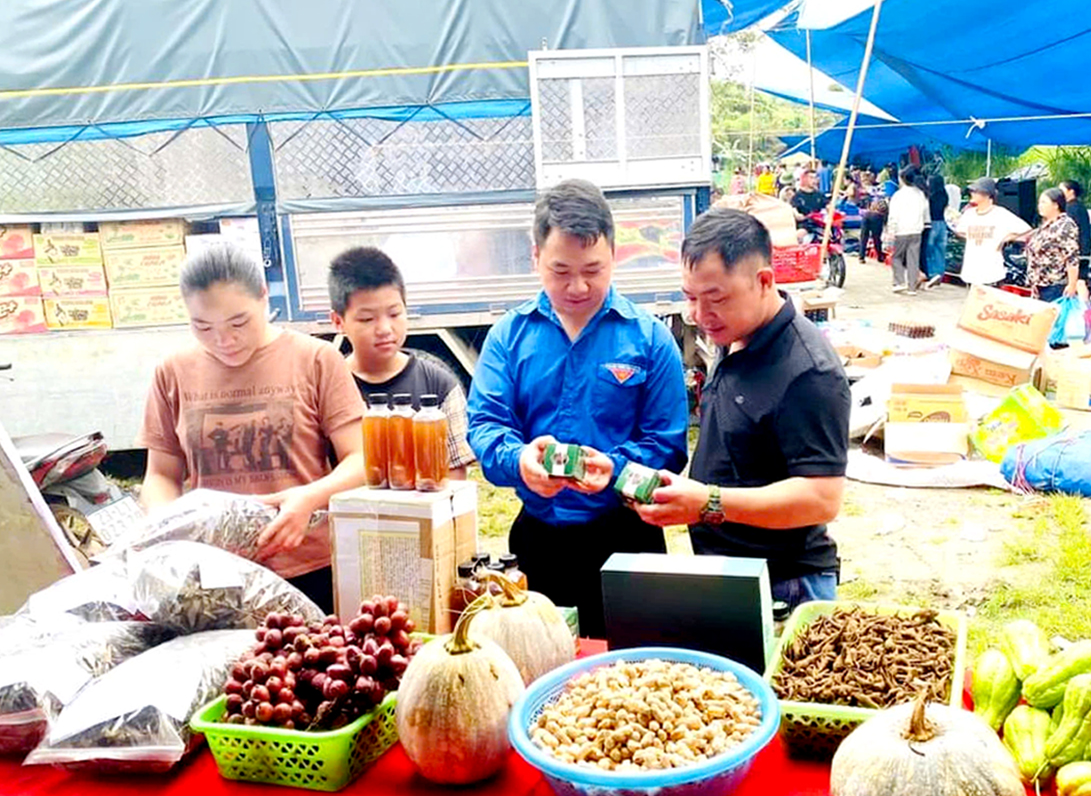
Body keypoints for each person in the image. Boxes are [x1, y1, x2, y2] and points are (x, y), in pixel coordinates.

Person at [467, 179, 688, 637]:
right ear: (535, 258)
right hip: (537, 541)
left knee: (635, 676)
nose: (579, 285)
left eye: (594, 268)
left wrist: (618, 471)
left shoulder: (648, 338)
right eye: (561, 270)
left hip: (628, 537)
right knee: (539, 668)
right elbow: (486, 424)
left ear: (614, 256)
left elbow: (667, 444)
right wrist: (520, 461)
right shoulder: (509, 337)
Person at [633, 208, 850, 610]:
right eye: (691, 297)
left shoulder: (809, 373)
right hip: (729, 568)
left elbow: (822, 498)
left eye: (716, 298)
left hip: (786, 582)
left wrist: (708, 502)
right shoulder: (735, 332)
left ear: (764, 281)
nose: (699, 314)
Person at [137, 244, 366, 612]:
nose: (223, 340)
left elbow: (362, 459)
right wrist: (167, 532)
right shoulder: (172, 372)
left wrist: (307, 499)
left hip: (310, 568)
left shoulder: (315, 359)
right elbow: (161, 475)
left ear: (263, 297)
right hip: (212, 577)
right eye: (203, 326)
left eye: (238, 322)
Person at [327, 246, 472, 479]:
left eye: (394, 314)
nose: (384, 329)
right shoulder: (326, 389)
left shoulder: (439, 385)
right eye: (367, 319)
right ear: (338, 321)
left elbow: (454, 479)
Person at [952, 177, 1031, 285]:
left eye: (976, 191)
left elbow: (1026, 229)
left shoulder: (1000, 214)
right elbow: (960, 230)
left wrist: (1005, 238)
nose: (972, 193)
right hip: (971, 270)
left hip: (991, 272)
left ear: (988, 194)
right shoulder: (969, 214)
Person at [1023, 188, 1080, 303]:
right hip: (1039, 285)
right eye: (1039, 203)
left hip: (1055, 285)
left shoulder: (1065, 225)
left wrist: (1072, 284)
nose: (1040, 206)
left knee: (1055, 319)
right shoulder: (1046, 225)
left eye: (1044, 202)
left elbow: (1072, 257)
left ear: (1055, 205)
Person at [886, 166, 929, 294]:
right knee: (913, 259)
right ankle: (912, 288)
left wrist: (891, 230)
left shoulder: (898, 195)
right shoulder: (921, 194)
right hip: (916, 230)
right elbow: (925, 212)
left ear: (903, 179)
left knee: (897, 257)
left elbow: (893, 215)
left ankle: (899, 282)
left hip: (901, 231)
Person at [1060, 180, 1091, 284]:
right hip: (1083, 249)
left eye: (1062, 190)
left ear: (1071, 191)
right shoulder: (1079, 206)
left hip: (1077, 251)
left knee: (1076, 282)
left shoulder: (1071, 208)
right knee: (1080, 281)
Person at [924, 172, 950, 288]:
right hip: (942, 224)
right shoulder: (944, 195)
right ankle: (940, 273)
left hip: (932, 223)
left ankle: (932, 274)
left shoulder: (930, 197)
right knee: (940, 251)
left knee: (929, 251)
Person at [858, 171, 886, 263]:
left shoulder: (866, 190)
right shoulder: (882, 189)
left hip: (866, 214)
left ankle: (861, 257)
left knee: (864, 236)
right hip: (877, 215)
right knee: (876, 237)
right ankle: (879, 256)